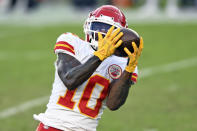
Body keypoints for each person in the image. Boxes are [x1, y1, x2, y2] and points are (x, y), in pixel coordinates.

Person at [34, 5, 143, 131]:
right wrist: (100, 56)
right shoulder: (72, 42)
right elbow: (70, 80)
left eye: (108, 30)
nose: (101, 33)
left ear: (120, 34)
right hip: (53, 126)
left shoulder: (123, 62)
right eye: (97, 27)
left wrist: (129, 69)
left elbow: (113, 104)